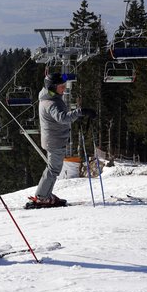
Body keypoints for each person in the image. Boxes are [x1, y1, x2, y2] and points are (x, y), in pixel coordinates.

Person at [30, 72, 95, 208]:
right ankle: (42, 196)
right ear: (52, 87)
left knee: (53, 168)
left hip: (53, 139)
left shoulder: (49, 97)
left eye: (64, 85)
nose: (64, 88)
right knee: (53, 170)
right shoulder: (50, 103)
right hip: (54, 141)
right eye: (61, 86)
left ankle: (45, 194)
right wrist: (80, 112)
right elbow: (63, 118)